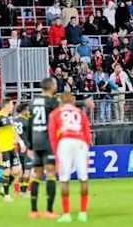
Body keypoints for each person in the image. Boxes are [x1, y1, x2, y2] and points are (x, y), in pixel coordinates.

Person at [48, 92, 91, 223]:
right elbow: (87, 133)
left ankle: (66, 214)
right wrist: (86, 149)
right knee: (83, 179)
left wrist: (56, 154)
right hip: (80, 142)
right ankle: (82, 213)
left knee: (64, 180)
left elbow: (52, 136)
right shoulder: (80, 112)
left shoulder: (55, 113)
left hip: (65, 142)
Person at [29, 78, 59, 218]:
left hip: (36, 140)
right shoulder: (52, 101)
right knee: (51, 174)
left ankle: (34, 211)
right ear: (51, 87)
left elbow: (29, 123)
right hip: (47, 140)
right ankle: (49, 211)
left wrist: (30, 145)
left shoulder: (33, 102)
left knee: (37, 175)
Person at [0, 98, 20, 202]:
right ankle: (7, 195)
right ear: (6, 105)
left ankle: (4, 188)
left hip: (11, 148)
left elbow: (13, 131)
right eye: (12, 104)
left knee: (17, 170)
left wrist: (20, 142)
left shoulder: (10, 118)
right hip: (3, 149)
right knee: (7, 170)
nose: (13, 107)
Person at [14, 103, 32, 198]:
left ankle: (18, 190)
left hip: (18, 147)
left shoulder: (15, 120)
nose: (28, 111)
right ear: (23, 110)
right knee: (28, 170)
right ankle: (25, 191)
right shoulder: (26, 121)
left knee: (22, 169)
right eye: (27, 110)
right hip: (27, 146)